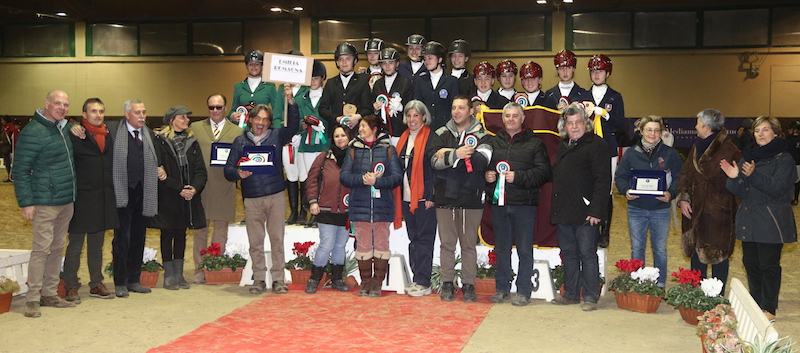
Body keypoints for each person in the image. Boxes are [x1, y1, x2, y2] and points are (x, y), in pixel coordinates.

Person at [224, 85, 300, 295]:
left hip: (275, 195)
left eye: (265, 119)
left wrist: (290, 101)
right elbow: (228, 169)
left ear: (269, 122)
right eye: (258, 119)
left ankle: (278, 279)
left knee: (277, 239)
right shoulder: (240, 141)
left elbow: (293, 126)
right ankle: (258, 279)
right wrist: (238, 173)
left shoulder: (277, 136)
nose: (261, 123)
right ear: (250, 120)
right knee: (255, 242)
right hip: (252, 199)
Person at [722, 116, 797, 322]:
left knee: (768, 266)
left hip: (771, 221)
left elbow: (778, 188)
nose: (761, 134)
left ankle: (769, 307)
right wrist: (734, 176)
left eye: (765, 130)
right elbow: (739, 191)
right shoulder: (748, 157)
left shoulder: (785, 159)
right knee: (751, 263)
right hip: (750, 218)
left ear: (776, 133)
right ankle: (755, 304)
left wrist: (753, 175)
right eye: (757, 131)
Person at [14, 90, 77, 317]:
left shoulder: (63, 129)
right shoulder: (33, 131)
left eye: (66, 105)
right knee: (41, 249)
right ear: (46, 104)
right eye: (57, 103)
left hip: (65, 200)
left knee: (57, 247)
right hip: (44, 201)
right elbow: (19, 170)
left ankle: (49, 293)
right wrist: (27, 202)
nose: (62, 108)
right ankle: (32, 298)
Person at [484, 102, 551, 307]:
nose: (511, 119)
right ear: (502, 119)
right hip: (499, 205)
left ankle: (524, 291)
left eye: (515, 116)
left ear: (523, 119)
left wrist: (519, 177)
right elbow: (483, 166)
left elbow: (544, 172)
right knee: (502, 249)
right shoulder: (493, 143)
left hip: (524, 205)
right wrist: (487, 175)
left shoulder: (535, 143)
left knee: (524, 250)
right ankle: (502, 289)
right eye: (507, 116)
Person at [428, 94, 492, 302]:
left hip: (471, 198)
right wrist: (457, 153)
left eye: (461, 108)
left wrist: (448, 154)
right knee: (447, 244)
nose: (457, 112)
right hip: (444, 197)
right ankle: (447, 283)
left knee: (468, 246)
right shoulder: (440, 133)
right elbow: (433, 161)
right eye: (454, 108)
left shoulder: (483, 135)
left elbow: (483, 160)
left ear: (470, 111)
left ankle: (469, 285)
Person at [550, 102, 611, 312]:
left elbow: (603, 181)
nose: (574, 127)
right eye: (570, 123)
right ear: (564, 126)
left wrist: (596, 211)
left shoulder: (597, 145)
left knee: (587, 254)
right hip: (564, 210)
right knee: (569, 254)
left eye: (578, 122)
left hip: (586, 213)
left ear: (586, 123)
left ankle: (591, 296)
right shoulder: (564, 144)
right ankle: (572, 293)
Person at [677, 109, 741, 292]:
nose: (695, 126)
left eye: (698, 123)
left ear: (706, 127)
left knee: (718, 256)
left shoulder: (731, 150)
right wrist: (683, 198)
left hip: (719, 214)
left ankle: (717, 297)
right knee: (696, 254)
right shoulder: (697, 147)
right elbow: (686, 174)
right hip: (695, 211)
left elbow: (739, 183)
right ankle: (696, 294)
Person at [614, 115, 682, 287]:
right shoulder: (631, 153)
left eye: (657, 130)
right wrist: (626, 191)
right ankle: (638, 284)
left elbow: (680, 178)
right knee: (637, 248)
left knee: (660, 249)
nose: (653, 134)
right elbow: (620, 177)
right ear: (641, 131)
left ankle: (659, 285)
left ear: (661, 132)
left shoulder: (669, 153)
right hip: (636, 209)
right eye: (649, 130)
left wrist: (671, 193)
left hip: (661, 209)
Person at [339, 114, 403, 297]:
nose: (360, 129)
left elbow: (397, 177)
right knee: (363, 245)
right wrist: (362, 179)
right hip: (359, 206)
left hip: (383, 206)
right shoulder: (353, 149)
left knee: (382, 244)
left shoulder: (389, 149)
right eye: (360, 126)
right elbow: (344, 177)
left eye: (364, 126)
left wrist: (377, 181)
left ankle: (377, 283)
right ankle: (365, 283)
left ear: (374, 128)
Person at [62, 98, 118, 304]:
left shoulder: (108, 134)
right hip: (81, 199)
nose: (98, 115)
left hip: (102, 199)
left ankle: (96, 283)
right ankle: (70, 285)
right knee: (75, 245)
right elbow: (60, 124)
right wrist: (71, 125)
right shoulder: (74, 134)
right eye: (93, 111)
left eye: (101, 111)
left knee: (97, 246)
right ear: (84, 114)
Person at [150, 106, 208, 290]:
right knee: (167, 233)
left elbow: (200, 170)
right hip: (168, 195)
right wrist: (179, 188)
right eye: (182, 117)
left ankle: (179, 273)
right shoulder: (160, 141)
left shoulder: (193, 142)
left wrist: (194, 188)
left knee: (181, 234)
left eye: (187, 117)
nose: (186, 120)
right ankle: (169, 274)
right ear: (172, 120)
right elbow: (160, 172)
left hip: (187, 196)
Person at [189, 94, 244, 284]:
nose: (215, 111)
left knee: (220, 230)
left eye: (218, 107)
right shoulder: (195, 128)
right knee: (200, 230)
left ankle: (214, 266)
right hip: (201, 186)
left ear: (225, 108)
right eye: (211, 107)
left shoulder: (237, 131)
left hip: (224, 186)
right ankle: (199, 268)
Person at [111, 98, 160, 298]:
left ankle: (134, 279)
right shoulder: (114, 133)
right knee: (122, 238)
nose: (142, 116)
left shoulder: (149, 135)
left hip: (144, 192)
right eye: (137, 112)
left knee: (139, 237)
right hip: (123, 192)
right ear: (127, 114)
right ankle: (120, 281)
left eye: (144, 112)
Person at [277, 59, 330, 227]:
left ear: (322, 79)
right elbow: (296, 118)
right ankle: (310, 211)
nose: (313, 81)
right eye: (311, 78)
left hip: (322, 143)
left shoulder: (327, 96)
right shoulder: (302, 99)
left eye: (317, 78)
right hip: (306, 145)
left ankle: (321, 212)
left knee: (322, 177)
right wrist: (301, 123)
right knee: (308, 178)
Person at [304, 125, 353, 294]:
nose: (340, 138)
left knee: (340, 245)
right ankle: (314, 278)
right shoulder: (324, 157)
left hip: (346, 210)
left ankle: (337, 279)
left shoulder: (355, 157)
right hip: (325, 208)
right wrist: (313, 201)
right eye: (337, 135)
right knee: (327, 244)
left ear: (349, 137)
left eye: (343, 135)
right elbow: (311, 180)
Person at [395, 100, 436, 298]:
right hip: (406, 198)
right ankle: (416, 278)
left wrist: (431, 196)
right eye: (409, 115)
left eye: (416, 115)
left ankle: (424, 281)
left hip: (423, 199)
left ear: (424, 117)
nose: (412, 119)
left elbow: (434, 170)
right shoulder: (403, 138)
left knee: (424, 241)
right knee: (413, 240)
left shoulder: (431, 138)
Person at [586, 54, 626, 249]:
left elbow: (621, 124)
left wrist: (606, 114)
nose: (596, 74)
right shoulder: (582, 96)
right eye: (593, 71)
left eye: (600, 71)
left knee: (606, 190)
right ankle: (589, 227)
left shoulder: (615, 97)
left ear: (607, 73)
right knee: (587, 187)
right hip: (586, 149)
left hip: (607, 148)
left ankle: (605, 230)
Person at [319, 42, 372, 135]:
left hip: (357, 131)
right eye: (341, 59)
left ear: (355, 60)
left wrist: (358, 117)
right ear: (337, 62)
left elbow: (368, 108)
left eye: (348, 59)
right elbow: (323, 109)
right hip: (336, 132)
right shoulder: (330, 83)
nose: (344, 62)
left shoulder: (363, 81)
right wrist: (336, 119)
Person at [413, 41, 459, 130]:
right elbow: (417, 106)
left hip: (446, 129)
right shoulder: (420, 80)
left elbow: (454, 107)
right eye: (425, 59)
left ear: (440, 59)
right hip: (425, 129)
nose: (426, 61)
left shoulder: (452, 81)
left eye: (430, 58)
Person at [372, 47, 414, 143]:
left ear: (397, 63)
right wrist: (374, 109)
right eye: (384, 63)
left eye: (390, 63)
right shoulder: (378, 84)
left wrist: (402, 108)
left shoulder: (406, 83)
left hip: (400, 131)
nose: (387, 66)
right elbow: (372, 106)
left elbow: (412, 107)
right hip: (381, 131)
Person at [229, 49, 279, 126]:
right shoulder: (238, 86)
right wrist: (232, 116)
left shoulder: (270, 86)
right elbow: (233, 109)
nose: (254, 67)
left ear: (262, 66)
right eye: (250, 64)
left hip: (263, 127)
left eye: (257, 64)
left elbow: (276, 110)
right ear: (246, 66)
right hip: (243, 128)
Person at [785, 121, 800, 205]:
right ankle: (791, 197)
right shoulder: (787, 139)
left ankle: (796, 198)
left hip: (797, 163)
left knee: (797, 180)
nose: (788, 130)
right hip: (790, 162)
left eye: (790, 129)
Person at [0, 116, 18, 182]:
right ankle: (10, 176)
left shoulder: (10, 129)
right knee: (7, 163)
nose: (2, 122)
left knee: (9, 163)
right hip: (4, 148)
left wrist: (3, 142)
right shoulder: (4, 129)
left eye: (3, 120)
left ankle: (11, 176)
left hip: (8, 149)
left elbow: (10, 140)